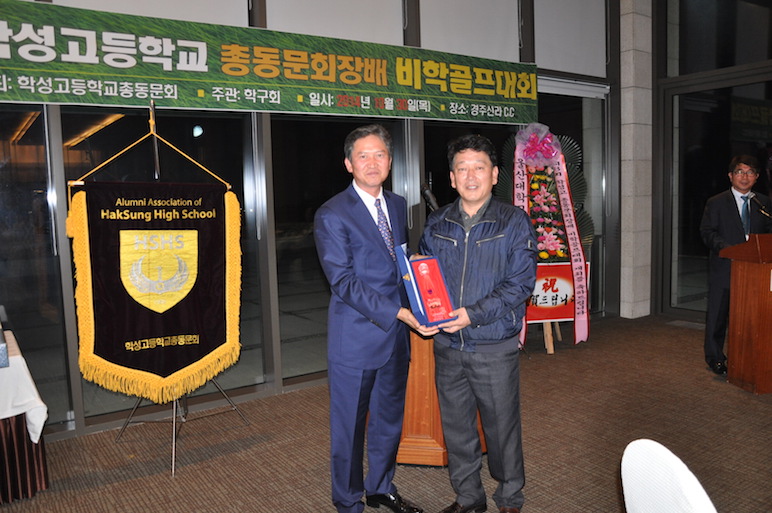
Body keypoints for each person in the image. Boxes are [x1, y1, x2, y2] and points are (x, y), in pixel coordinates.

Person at [314, 124, 437, 513]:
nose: (372, 162)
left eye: (379, 154)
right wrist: (400, 313)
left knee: (388, 420)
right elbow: (343, 281)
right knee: (349, 429)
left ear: (390, 161)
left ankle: (381, 486)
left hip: (395, 338)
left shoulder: (397, 205)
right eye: (363, 156)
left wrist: (419, 275)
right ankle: (348, 501)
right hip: (355, 340)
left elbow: (395, 262)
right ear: (348, 163)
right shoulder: (332, 213)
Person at [419, 134, 537, 513]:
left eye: (479, 168)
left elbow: (520, 284)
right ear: (452, 178)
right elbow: (425, 278)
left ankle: (510, 497)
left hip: (493, 346)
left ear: (494, 174)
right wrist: (423, 310)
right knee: (457, 429)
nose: (471, 176)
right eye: (462, 169)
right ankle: (469, 497)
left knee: (501, 429)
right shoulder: (437, 223)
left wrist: (473, 314)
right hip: (448, 346)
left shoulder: (514, 222)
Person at [699, 154, 772, 375]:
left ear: (756, 177)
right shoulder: (716, 202)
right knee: (718, 316)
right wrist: (730, 249)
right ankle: (715, 358)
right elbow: (707, 232)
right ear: (731, 175)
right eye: (740, 172)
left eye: (750, 173)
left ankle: (747, 357)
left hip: (754, 270)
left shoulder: (763, 202)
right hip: (725, 266)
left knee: (750, 317)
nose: (745, 177)